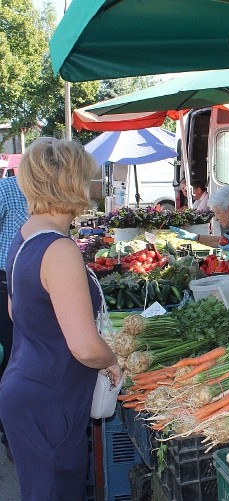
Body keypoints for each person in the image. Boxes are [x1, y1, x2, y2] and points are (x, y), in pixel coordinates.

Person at [0, 138, 122, 500]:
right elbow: (85, 346)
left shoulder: (24, 236)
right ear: (72, 183)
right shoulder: (60, 248)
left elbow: (15, 310)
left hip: (26, 388)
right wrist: (111, 360)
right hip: (51, 402)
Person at [0, 175, 28, 461]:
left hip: (30, 274)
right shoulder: (6, 189)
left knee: (23, 350)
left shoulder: (49, 187)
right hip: (5, 277)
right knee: (12, 351)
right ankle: (10, 431)